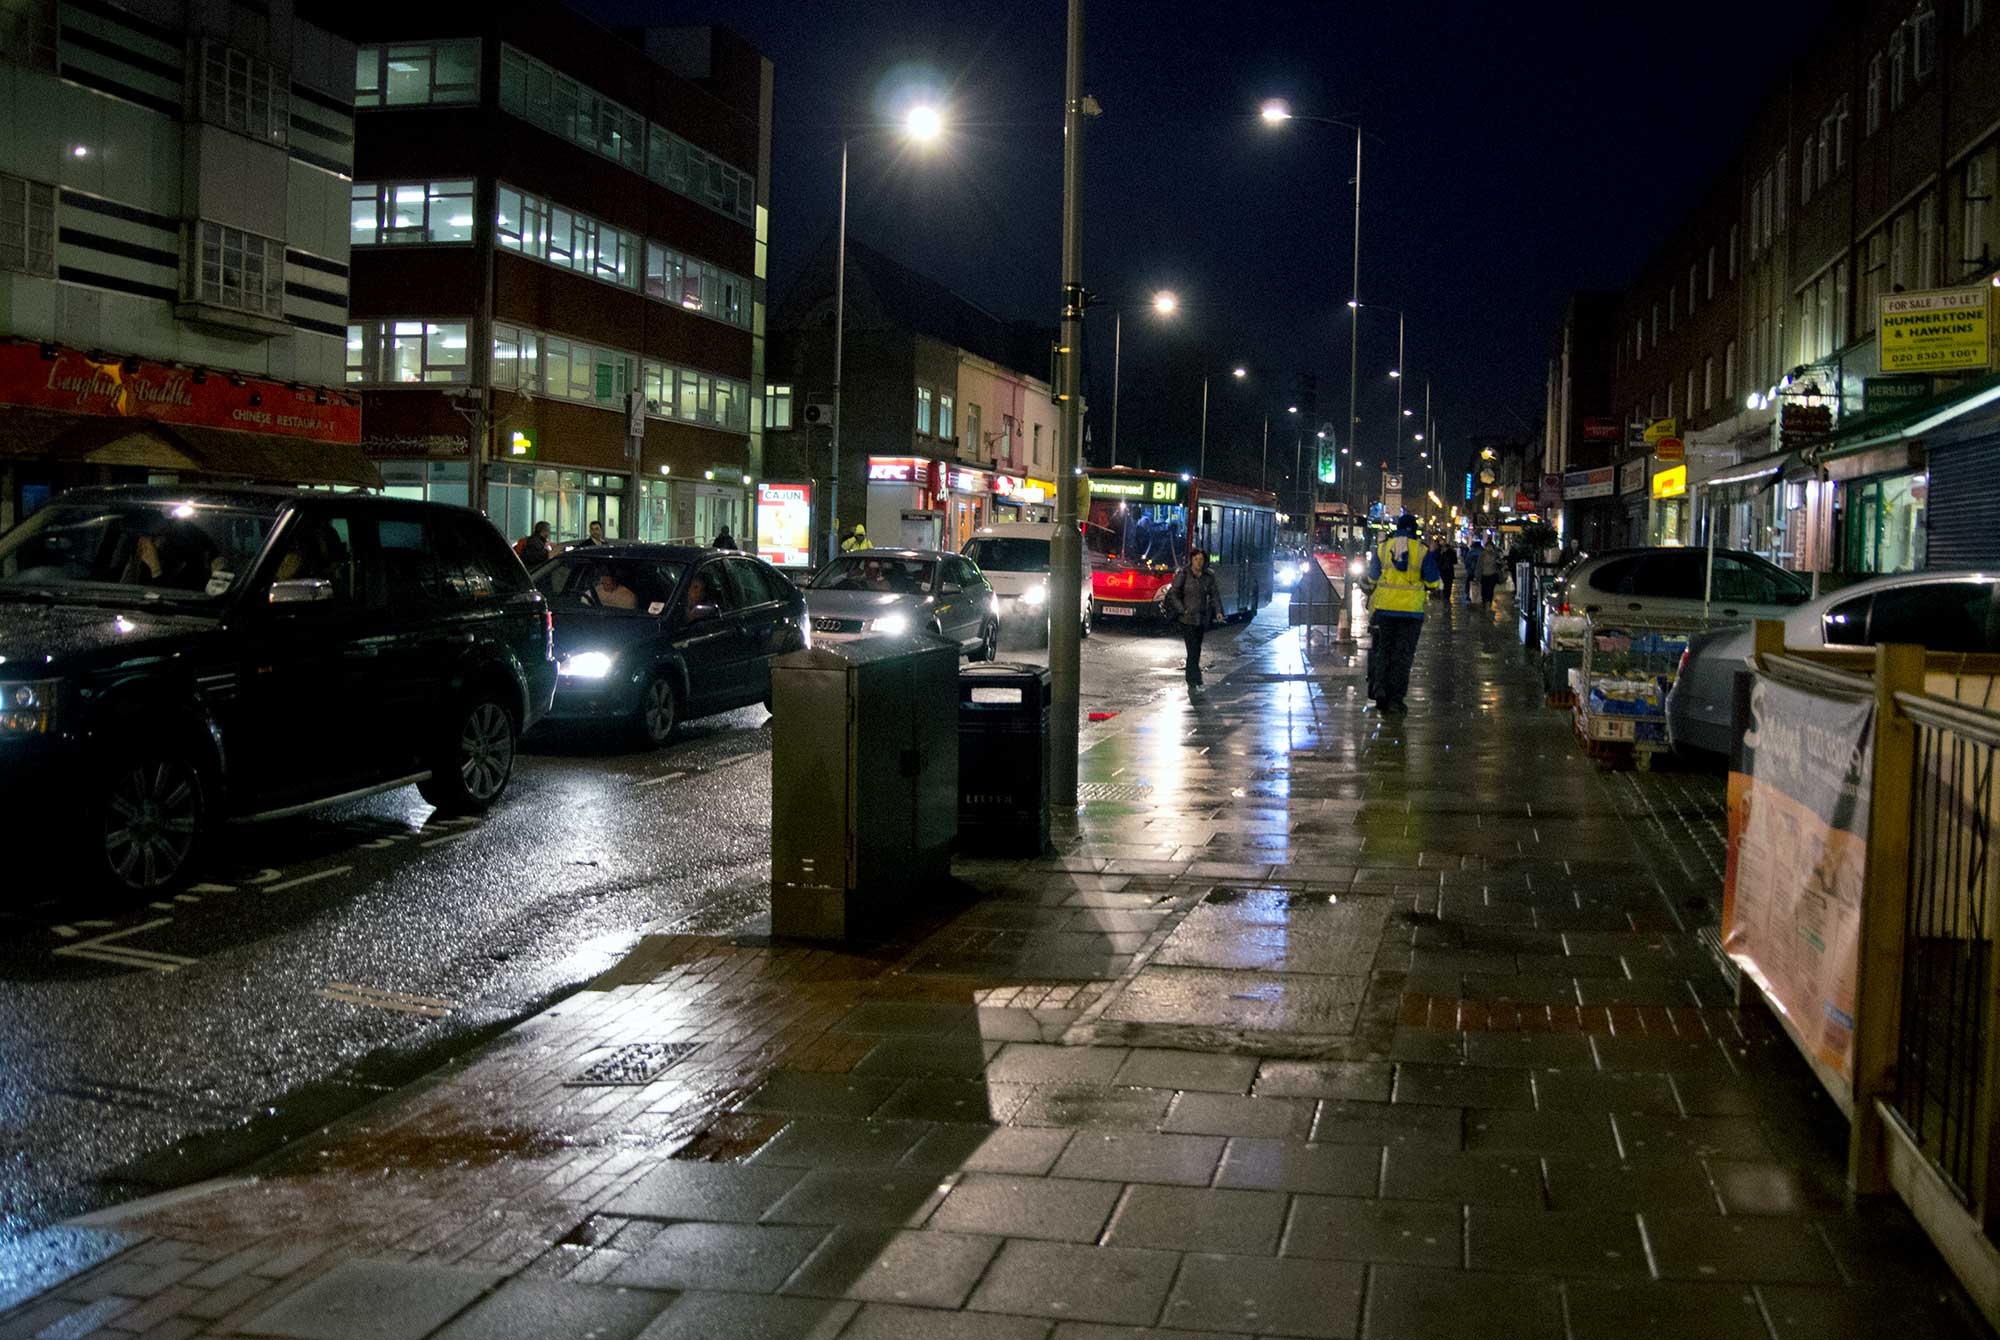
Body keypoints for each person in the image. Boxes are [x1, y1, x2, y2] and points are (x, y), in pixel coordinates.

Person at [1364, 514, 1442, 713]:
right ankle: (1396, 699)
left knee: (1383, 651)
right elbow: (1433, 582)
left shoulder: (1382, 549)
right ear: (1414, 530)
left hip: (1384, 610)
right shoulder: (1422, 551)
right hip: (1411, 614)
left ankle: (1379, 689)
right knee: (1402, 656)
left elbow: (1371, 578)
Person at [1164, 548, 1223, 696]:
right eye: (1196, 559)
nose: (1199, 562)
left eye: (1201, 560)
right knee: (1192, 649)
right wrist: (1182, 609)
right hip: (1187, 619)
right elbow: (1173, 593)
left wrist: (1218, 612)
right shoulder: (1183, 574)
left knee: (1197, 649)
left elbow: (1214, 595)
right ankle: (1192, 679)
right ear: (1192, 560)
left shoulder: (1208, 577)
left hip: (1201, 619)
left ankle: (1195, 677)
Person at [1478, 539, 1504, 605]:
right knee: (1484, 590)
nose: (1489, 548)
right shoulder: (1482, 555)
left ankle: (1489, 602)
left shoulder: (1495, 555)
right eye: (1488, 546)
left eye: (1490, 547)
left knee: (1491, 590)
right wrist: (1477, 576)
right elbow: (1479, 566)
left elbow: (1501, 564)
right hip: (1484, 575)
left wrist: (1498, 562)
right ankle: (1484, 601)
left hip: (1492, 575)